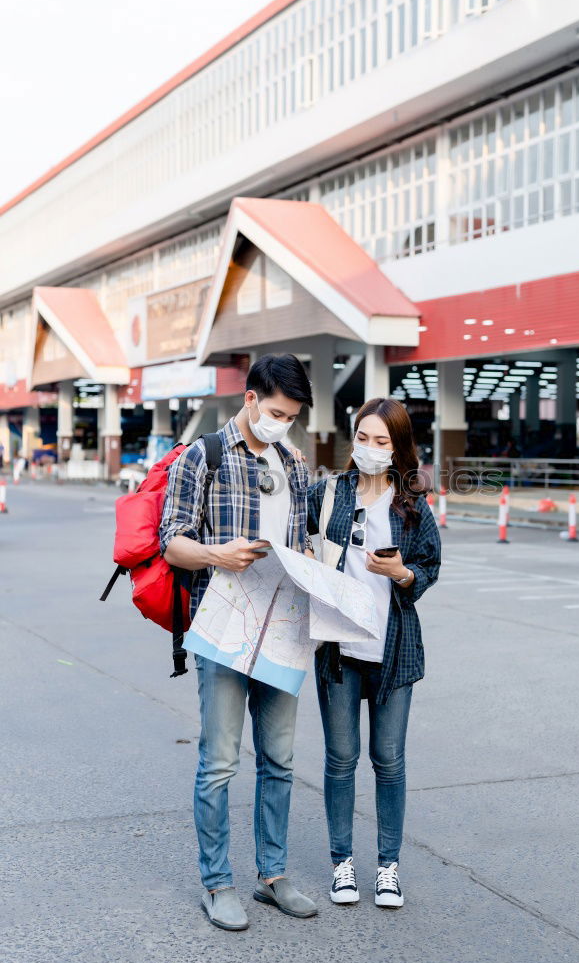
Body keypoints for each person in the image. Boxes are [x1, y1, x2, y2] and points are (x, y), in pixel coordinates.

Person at [160, 353, 318, 931]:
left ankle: (272, 877)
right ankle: (217, 882)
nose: (283, 423)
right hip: (222, 629)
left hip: (283, 629)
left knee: (279, 761)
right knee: (220, 763)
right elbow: (171, 542)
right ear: (250, 398)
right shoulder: (201, 456)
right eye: (276, 411)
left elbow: (302, 541)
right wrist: (216, 555)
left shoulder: (294, 465)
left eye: (292, 417)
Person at [307, 397, 441, 910]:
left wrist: (401, 574)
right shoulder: (331, 493)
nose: (369, 449)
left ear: (399, 447)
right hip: (338, 650)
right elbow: (303, 544)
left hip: (394, 650)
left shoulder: (410, 502)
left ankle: (388, 867)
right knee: (341, 760)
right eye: (363, 438)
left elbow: (428, 566)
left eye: (382, 442)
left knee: (389, 761)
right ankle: (342, 861)